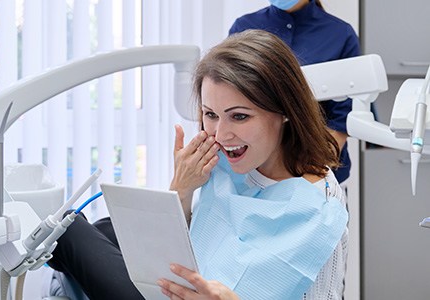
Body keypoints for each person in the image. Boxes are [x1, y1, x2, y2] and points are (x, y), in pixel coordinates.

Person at [48, 30, 348, 300]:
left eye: (239, 116)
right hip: (179, 282)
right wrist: (182, 188)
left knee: (66, 229)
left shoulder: (319, 206)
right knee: (105, 228)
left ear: (285, 110)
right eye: (210, 114)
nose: (220, 134)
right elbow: (198, 238)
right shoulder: (222, 160)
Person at [228, 0, 361, 184]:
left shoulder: (340, 34)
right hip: (256, 172)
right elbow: (231, 101)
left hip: (316, 173)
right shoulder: (244, 28)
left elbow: (342, 121)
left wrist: (307, 177)